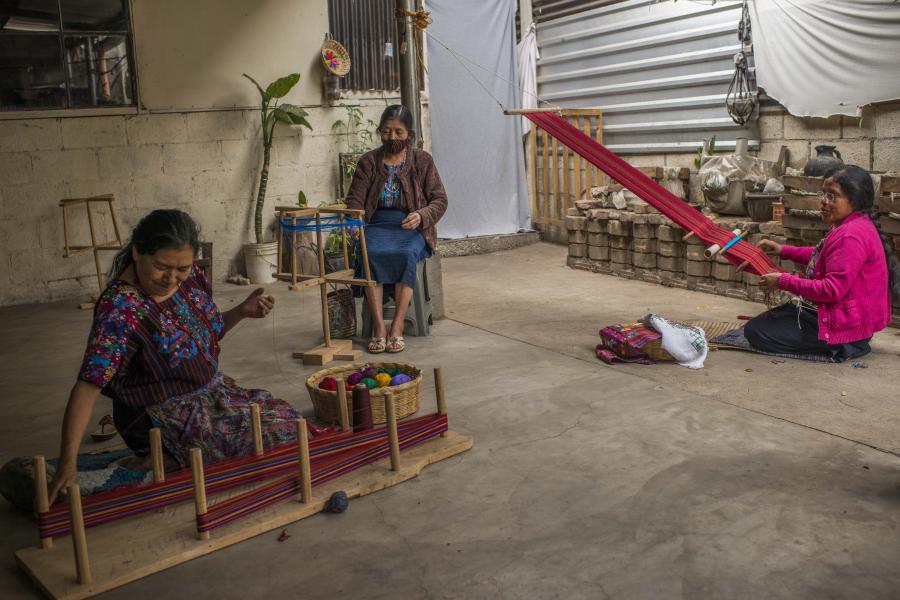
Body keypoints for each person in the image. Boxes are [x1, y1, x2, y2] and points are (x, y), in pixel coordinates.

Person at [47, 209, 299, 503]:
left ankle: (168, 461)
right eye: (162, 267)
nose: (172, 278)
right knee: (266, 440)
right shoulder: (122, 309)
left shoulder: (189, 281)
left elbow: (201, 338)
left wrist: (241, 311)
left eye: (182, 268)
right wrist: (67, 464)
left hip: (210, 395)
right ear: (138, 252)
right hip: (159, 414)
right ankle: (153, 461)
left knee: (287, 421)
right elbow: (88, 386)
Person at [748, 164, 898, 360]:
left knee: (756, 331)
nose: (823, 202)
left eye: (832, 196)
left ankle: (842, 346)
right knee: (776, 317)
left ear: (854, 200)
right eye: (823, 194)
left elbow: (831, 290)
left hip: (846, 326)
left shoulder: (850, 235)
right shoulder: (854, 224)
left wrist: (782, 281)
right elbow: (827, 257)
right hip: (853, 320)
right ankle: (847, 342)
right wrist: (783, 250)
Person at [345, 104, 448, 354]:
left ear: (409, 135)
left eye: (399, 132)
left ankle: (398, 324)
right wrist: (355, 224)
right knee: (370, 254)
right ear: (380, 132)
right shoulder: (369, 162)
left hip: (410, 227)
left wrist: (421, 215)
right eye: (387, 131)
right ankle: (379, 326)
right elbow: (355, 201)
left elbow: (439, 200)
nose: (392, 137)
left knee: (405, 254)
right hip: (376, 224)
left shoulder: (422, 160)